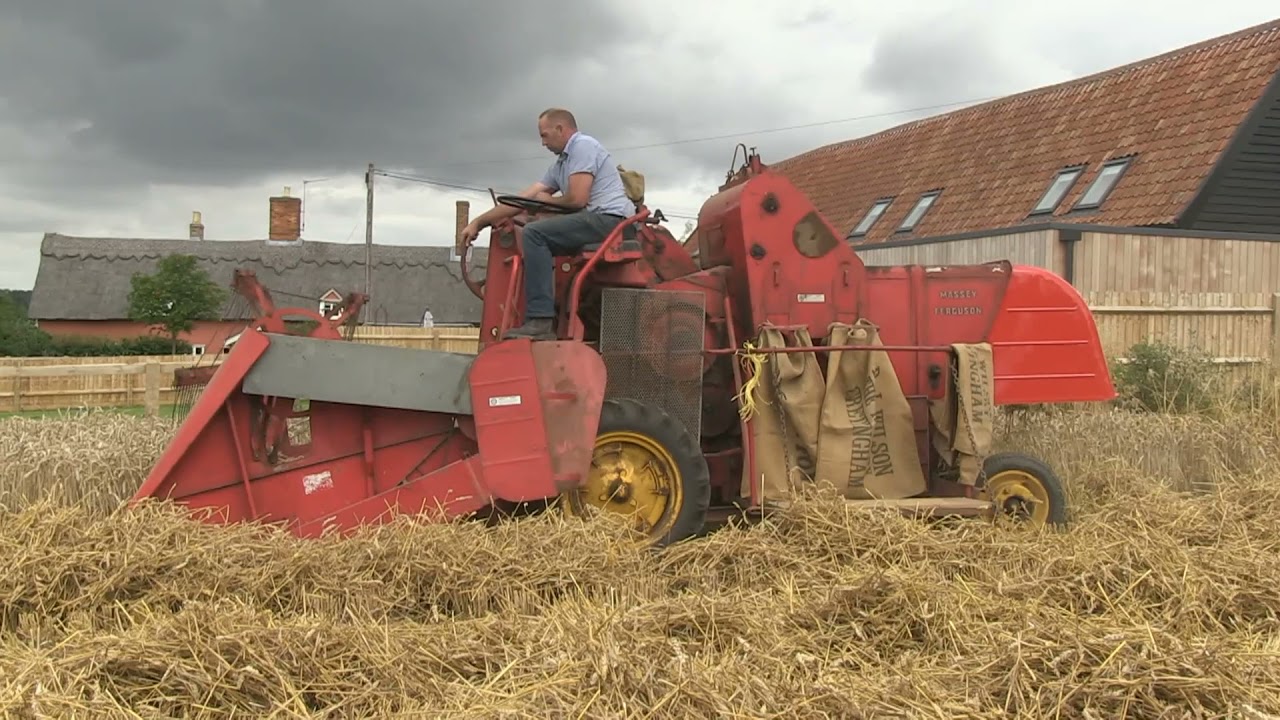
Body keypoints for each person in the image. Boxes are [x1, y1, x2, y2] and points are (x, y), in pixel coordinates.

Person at [459, 108, 636, 340]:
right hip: (596, 220)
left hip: (611, 222)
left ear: (560, 129)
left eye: (544, 135)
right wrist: (479, 222)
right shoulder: (561, 165)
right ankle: (550, 313)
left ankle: (540, 320)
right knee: (538, 232)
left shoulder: (583, 146)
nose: (542, 143)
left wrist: (547, 200)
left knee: (534, 234)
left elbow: (578, 199)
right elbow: (525, 197)